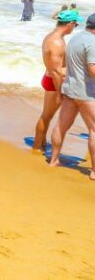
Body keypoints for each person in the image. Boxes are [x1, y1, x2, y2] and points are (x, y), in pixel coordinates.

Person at [48, 13, 95, 181]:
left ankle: (54, 160)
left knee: (61, 126)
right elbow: (92, 70)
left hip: (70, 90)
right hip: (86, 93)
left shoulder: (75, 38)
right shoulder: (93, 43)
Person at [32, 11, 81, 151]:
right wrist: (61, 91)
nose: (75, 27)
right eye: (75, 24)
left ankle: (41, 143)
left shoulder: (54, 37)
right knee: (46, 116)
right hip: (54, 82)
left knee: (47, 116)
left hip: (51, 79)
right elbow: (56, 71)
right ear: (70, 24)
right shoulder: (56, 42)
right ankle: (36, 147)